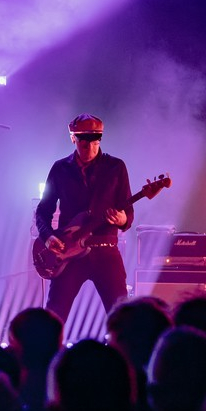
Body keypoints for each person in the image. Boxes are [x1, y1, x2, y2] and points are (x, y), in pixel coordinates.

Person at [35, 114, 132, 323]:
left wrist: (123, 219)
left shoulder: (116, 167)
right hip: (69, 256)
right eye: (83, 142)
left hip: (105, 252)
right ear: (73, 138)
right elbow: (43, 211)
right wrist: (48, 237)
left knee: (123, 320)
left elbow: (128, 215)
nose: (89, 148)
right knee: (52, 319)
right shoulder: (60, 169)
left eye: (95, 141)